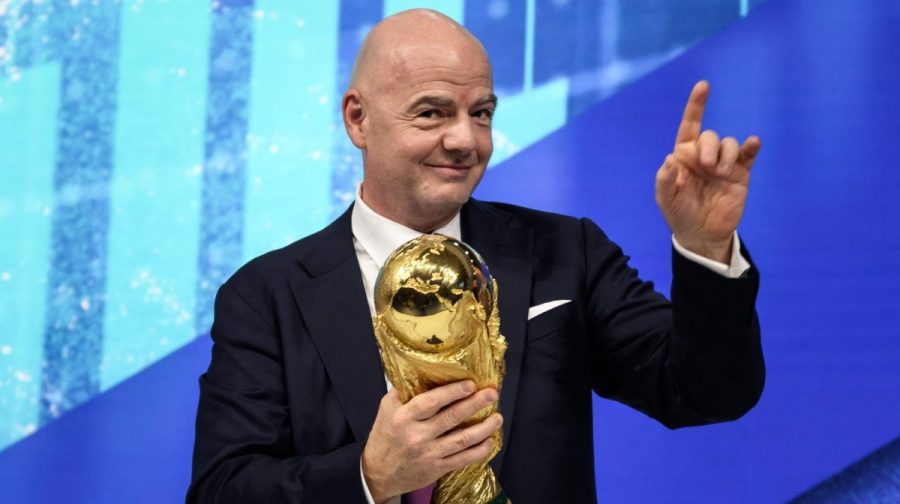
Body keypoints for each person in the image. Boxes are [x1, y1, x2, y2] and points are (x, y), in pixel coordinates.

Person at [187, 9, 764, 504]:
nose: (466, 140)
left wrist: (704, 248)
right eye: (432, 113)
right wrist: (368, 477)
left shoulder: (567, 252)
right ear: (357, 119)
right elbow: (223, 489)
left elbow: (707, 392)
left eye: (481, 112)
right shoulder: (266, 295)